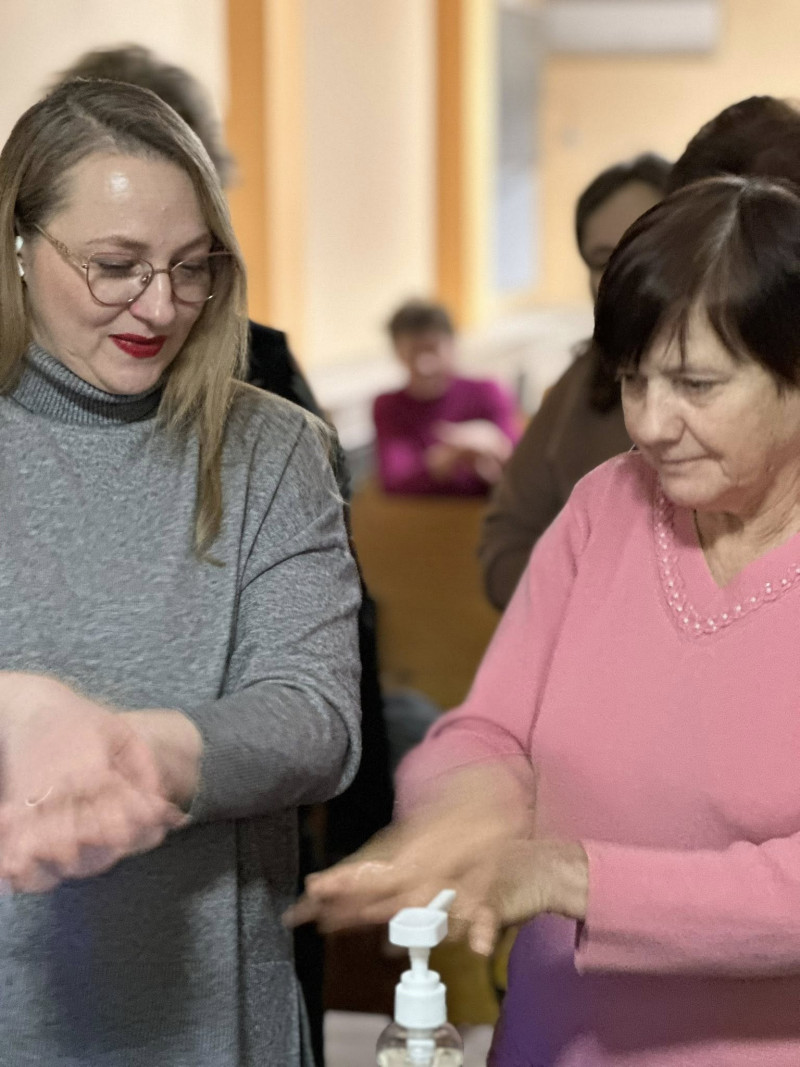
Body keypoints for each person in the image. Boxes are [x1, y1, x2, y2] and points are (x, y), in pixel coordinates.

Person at [289, 173, 800, 1065]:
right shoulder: (608, 507)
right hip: (552, 1038)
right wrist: (467, 809)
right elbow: (485, 727)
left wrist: (570, 873)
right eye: (632, 380)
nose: (649, 422)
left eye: (697, 383)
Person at [0, 78, 362, 1067]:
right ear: (19, 247)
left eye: (191, 268)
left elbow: (314, 718)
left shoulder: (271, 449)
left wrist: (126, 752)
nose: (158, 307)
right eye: (115, 266)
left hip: (213, 1018)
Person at [479, 153, 671, 609]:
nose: (622, 272)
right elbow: (507, 537)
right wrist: (580, 609)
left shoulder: (757, 379)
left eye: (641, 247)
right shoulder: (583, 381)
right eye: (602, 259)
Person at [373, 298, 520, 495]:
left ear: (452, 345)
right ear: (398, 353)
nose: (424, 364)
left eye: (432, 349)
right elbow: (395, 480)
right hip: (423, 522)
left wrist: (491, 442)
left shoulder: (487, 391)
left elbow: (521, 466)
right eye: (412, 352)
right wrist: (454, 452)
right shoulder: (388, 406)